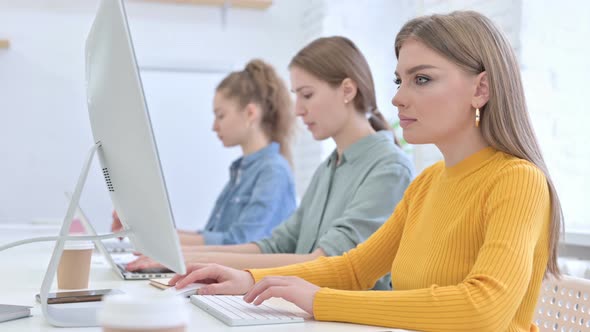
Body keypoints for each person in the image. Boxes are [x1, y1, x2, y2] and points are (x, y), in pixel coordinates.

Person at [170, 11, 564, 332]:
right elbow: (355, 268)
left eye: (421, 79)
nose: (396, 97)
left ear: (481, 89)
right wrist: (251, 281)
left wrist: (319, 300)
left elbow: (483, 309)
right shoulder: (427, 183)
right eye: (400, 80)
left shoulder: (518, 181)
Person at [127, 36, 414, 291]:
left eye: (307, 95)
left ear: (347, 90)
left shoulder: (389, 168)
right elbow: (275, 244)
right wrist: (181, 257)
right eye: (297, 96)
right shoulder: (329, 167)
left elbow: (329, 262)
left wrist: (190, 258)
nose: (299, 110)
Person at [113, 59, 297, 246]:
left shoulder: (273, 172)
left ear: (250, 113)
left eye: (221, 115)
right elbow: (213, 235)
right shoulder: (243, 171)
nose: (214, 126)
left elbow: (240, 243)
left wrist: (153, 236)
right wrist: (145, 230)